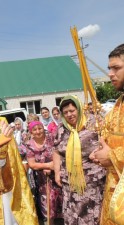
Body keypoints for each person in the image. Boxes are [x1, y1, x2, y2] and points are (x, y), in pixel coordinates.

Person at [53, 95, 106, 225]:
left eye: (72, 110)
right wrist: (56, 172)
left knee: (92, 217)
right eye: (65, 112)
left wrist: (98, 153)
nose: (69, 114)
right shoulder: (61, 129)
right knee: (73, 217)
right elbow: (55, 150)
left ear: (79, 109)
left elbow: (107, 143)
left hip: (92, 182)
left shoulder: (94, 123)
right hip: (70, 183)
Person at [91, 43, 124, 225]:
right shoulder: (117, 106)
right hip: (114, 189)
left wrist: (111, 156)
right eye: (109, 68)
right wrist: (98, 153)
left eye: (116, 68)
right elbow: (106, 139)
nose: (110, 74)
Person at [24, 121, 62, 224]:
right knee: (48, 206)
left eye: (40, 128)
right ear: (31, 132)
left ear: (43, 128)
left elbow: (60, 152)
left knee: (63, 202)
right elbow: (31, 164)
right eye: (34, 130)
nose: (38, 131)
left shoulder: (51, 138)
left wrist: (55, 165)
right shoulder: (29, 144)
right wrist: (47, 165)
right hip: (43, 179)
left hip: (59, 174)